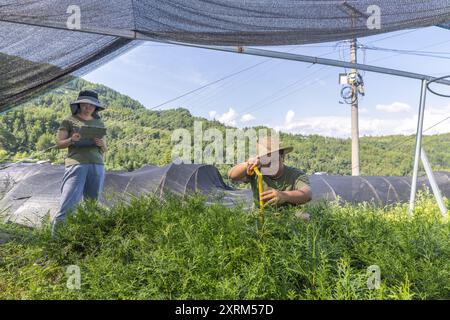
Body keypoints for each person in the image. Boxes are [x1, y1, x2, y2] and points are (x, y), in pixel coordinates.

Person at [51, 89, 107, 235]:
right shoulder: (69, 121)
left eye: (92, 105)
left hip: (97, 165)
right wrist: (71, 140)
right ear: (79, 104)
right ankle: (55, 245)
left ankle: (84, 242)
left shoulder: (99, 123)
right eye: (85, 104)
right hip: (76, 164)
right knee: (68, 205)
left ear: (96, 107)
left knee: (92, 206)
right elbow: (59, 143)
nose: (88, 107)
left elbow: (105, 149)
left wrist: (101, 143)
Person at [227, 137, 312, 209]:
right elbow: (232, 175)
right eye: (265, 159)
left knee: (304, 216)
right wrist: (247, 165)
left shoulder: (295, 174)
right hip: (261, 217)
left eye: (273, 159)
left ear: (282, 157)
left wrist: (284, 196)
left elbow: (307, 194)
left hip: (288, 219)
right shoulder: (256, 171)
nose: (269, 164)